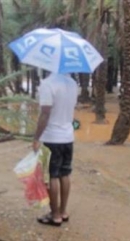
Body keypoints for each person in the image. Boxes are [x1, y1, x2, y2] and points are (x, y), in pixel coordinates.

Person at [32, 72, 78, 226]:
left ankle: (55, 215)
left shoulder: (48, 84)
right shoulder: (72, 83)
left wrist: (36, 137)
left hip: (52, 138)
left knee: (53, 175)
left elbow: (45, 113)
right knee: (65, 173)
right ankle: (63, 211)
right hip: (68, 137)